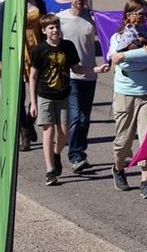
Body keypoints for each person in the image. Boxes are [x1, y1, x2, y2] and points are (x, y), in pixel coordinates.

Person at [28, 14, 105, 185]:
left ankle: (56, 154)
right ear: (44, 31)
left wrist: (96, 69)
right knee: (48, 132)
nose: (55, 30)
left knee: (64, 133)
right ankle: (50, 170)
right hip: (45, 96)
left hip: (63, 95)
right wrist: (33, 102)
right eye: (51, 28)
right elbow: (33, 76)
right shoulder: (39, 50)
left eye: (57, 27)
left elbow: (77, 69)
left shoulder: (68, 46)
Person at [107, 0, 147, 198]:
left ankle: (145, 182)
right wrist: (142, 58)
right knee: (123, 141)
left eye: (146, 14)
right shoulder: (116, 38)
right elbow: (119, 62)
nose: (142, 18)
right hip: (125, 94)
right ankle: (118, 168)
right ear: (127, 16)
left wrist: (126, 55)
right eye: (138, 14)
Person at [57, 0, 104, 173]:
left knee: (85, 118)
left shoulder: (92, 18)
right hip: (70, 75)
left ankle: (80, 153)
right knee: (75, 117)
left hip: (90, 74)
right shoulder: (60, 18)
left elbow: (108, 36)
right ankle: (75, 156)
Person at [0, 0, 46, 151]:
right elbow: (0, 33)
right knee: (18, 97)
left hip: (37, 53)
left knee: (38, 94)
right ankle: (24, 132)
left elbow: (46, 27)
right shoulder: (8, 3)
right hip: (16, 54)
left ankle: (30, 122)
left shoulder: (39, 2)